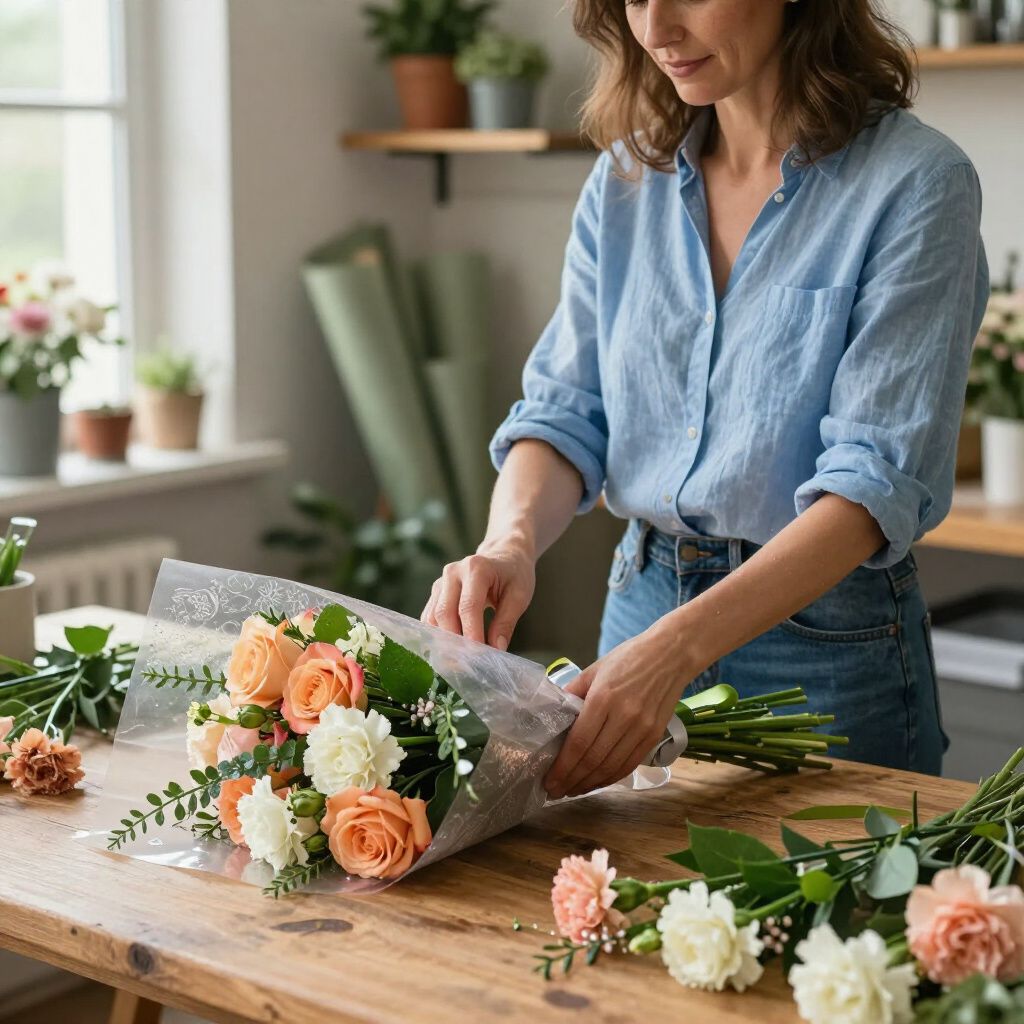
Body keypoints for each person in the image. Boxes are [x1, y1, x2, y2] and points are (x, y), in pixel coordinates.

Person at [421, 0, 989, 800]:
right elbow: (564, 411)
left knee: (833, 920)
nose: (656, 29)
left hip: (824, 647)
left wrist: (673, 651)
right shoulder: (625, 179)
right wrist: (508, 544)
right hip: (641, 604)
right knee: (628, 917)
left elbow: (870, 489)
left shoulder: (917, 183)